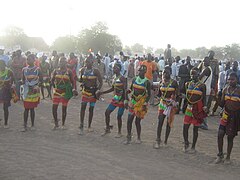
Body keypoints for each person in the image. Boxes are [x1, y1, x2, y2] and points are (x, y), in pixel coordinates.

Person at [215, 72, 240, 164]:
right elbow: (222, 104)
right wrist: (217, 97)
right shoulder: (225, 89)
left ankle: (228, 157)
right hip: (225, 114)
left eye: (232, 79)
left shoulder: (239, 90)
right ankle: (220, 155)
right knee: (220, 134)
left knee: (230, 137)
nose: (230, 81)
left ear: (237, 80)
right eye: (229, 79)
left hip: (235, 116)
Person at [97, 63, 128, 137]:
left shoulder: (122, 78)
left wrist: (126, 100)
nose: (114, 69)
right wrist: (102, 92)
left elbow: (125, 90)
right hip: (116, 98)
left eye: (115, 68)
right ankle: (108, 128)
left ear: (119, 69)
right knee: (107, 112)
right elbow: (112, 88)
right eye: (113, 68)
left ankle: (119, 132)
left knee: (119, 116)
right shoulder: (114, 77)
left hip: (122, 99)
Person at [124, 65, 151, 144]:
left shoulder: (147, 82)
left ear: (145, 72)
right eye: (139, 71)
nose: (140, 72)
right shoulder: (134, 79)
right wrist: (127, 93)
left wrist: (145, 103)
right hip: (133, 102)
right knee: (129, 120)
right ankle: (128, 137)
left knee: (137, 121)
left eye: (142, 71)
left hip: (140, 103)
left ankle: (138, 137)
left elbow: (149, 94)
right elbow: (131, 88)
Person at [182, 67, 207, 153]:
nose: (193, 76)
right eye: (191, 74)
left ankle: (193, 147)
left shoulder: (202, 86)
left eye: (195, 74)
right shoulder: (187, 84)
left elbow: (204, 98)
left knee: (195, 129)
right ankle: (186, 143)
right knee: (185, 127)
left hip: (198, 109)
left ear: (199, 74)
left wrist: (205, 106)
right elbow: (187, 96)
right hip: (189, 108)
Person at [153, 66, 179, 149]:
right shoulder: (161, 82)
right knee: (160, 121)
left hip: (170, 105)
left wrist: (174, 102)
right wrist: (157, 96)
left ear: (170, 73)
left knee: (168, 123)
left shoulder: (174, 83)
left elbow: (177, 94)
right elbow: (159, 94)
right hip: (162, 104)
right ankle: (158, 140)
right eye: (163, 72)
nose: (164, 74)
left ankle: (165, 141)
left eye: (166, 72)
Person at [78, 54, 103, 135]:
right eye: (85, 62)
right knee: (83, 107)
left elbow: (101, 82)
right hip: (85, 92)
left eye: (88, 62)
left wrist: (98, 90)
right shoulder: (82, 70)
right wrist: (81, 83)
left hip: (93, 93)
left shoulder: (96, 71)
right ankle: (81, 125)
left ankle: (89, 126)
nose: (86, 63)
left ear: (92, 62)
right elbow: (81, 80)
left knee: (91, 109)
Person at [51, 57, 77, 130]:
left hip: (65, 92)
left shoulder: (69, 72)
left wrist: (73, 89)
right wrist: (54, 87)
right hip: (57, 91)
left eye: (63, 62)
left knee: (64, 108)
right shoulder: (55, 71)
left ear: (66, 63)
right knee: (54, 108)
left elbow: (73, 82)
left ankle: (63, 124)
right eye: (60, 61)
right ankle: (56, 123)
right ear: (59, 63)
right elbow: (52, 80)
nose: (61, 63)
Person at [21, 54, 41, 132]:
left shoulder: (38, 69)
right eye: (27, 59)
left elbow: (41, 80)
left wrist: (37, 86)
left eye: (29, 59)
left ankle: (32, 124)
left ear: (34, 60)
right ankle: (25, 125)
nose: (28, 61)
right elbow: (23, 80)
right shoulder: (24, 69)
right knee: (26, 109)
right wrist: (23, 83)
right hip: (26, 91)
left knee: (32, 109)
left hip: (34, 92)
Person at [198, 57, 212, 130]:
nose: (204, 63)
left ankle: (205, 124)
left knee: (204, 107)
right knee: (203, 106)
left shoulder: (206, 69)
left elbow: (199, 78)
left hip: (205, 90)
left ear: (209, 62)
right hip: (206, 89)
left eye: (205, 61)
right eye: (203, 61)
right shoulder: (209, 68)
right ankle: (202, 122)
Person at [0, 60, 15, 128]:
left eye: (2, 65)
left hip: (6, 92)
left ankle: (6, 123)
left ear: (5, 65)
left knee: (5, 108)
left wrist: (11, 85)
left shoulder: (9, 71)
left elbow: (13, 80)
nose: (1, 67)